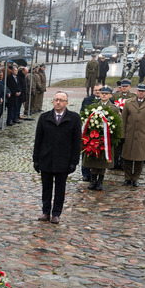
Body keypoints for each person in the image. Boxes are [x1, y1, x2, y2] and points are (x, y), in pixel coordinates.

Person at [32, 91, 82, 224]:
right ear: (53, 101)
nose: (58, 102)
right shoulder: (44, 117)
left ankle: (56, 213)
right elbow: (38, 140)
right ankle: (45, 212)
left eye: (61, 100)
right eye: (56, 100)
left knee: (60, 188)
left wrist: (74, 161)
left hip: (63, 160)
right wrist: (36, 159)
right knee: (46, 188)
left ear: (66, 103)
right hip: (46, 158)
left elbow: (77, 142)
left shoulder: (74, 118)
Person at [81, 85, 121, 191]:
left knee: (103, 161)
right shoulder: (93, 106)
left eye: (106, 94)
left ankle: (100, 181)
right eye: (102, 93)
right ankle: (93, 180)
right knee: (93, 159)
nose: (104, 95)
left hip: (106, 139)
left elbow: (117, 125)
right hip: (94, 138)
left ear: (110, 95)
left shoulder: (114, 108)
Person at [120, 83, 145, 187]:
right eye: (139, 91)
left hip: (142, 135)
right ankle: (127, 178)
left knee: (139, 159)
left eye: (143, 91)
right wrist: (122, 135)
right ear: (136, 91)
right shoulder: (128, 103)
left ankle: (135, 178)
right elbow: (123, 120)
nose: (141, 93)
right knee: (127, 157)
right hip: (129, 134)